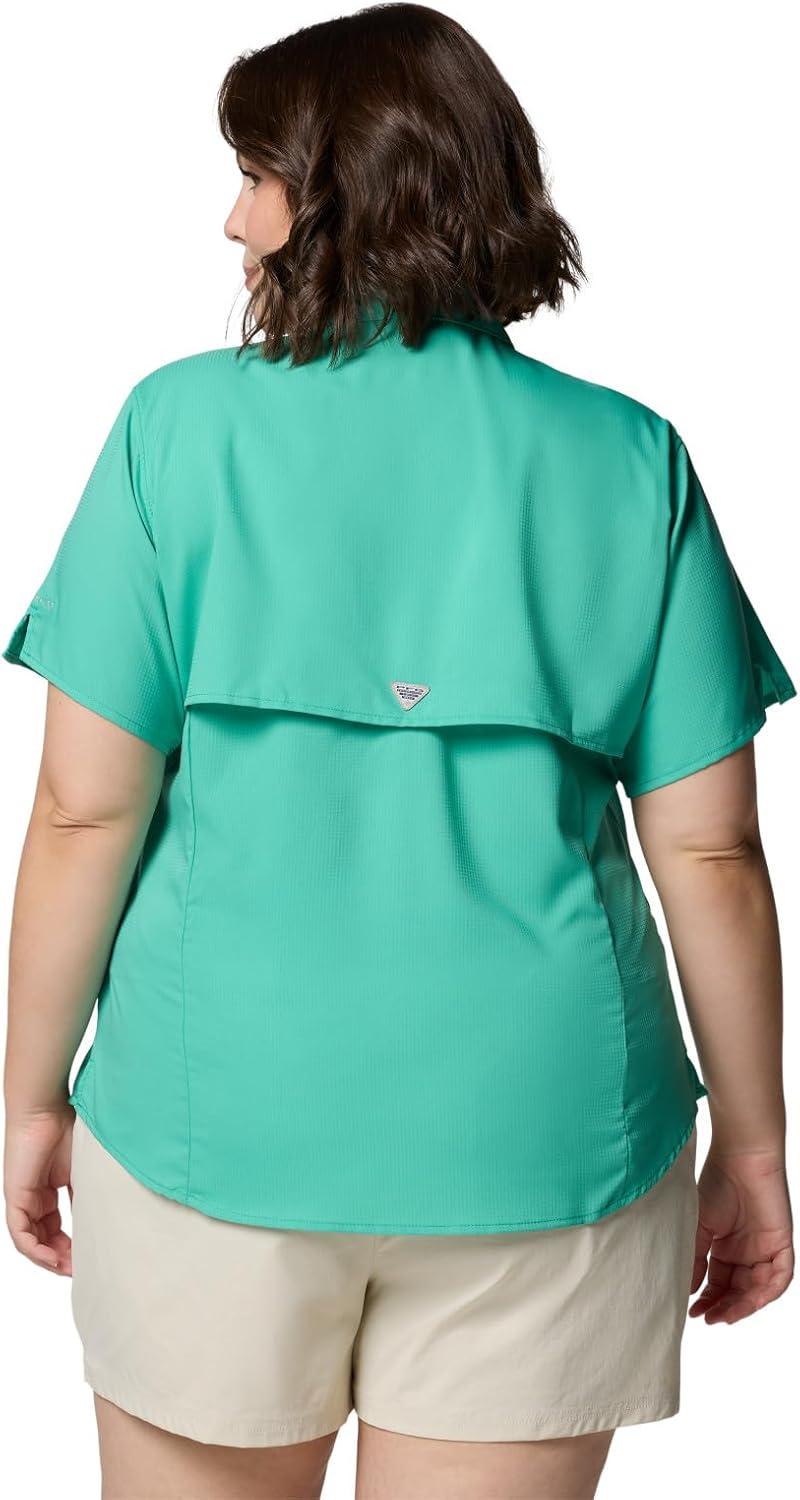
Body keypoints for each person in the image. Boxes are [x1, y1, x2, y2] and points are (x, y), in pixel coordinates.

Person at [2, 6, 796, 1499]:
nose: (232, 219)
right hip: (550, 1136)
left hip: (210, 1124)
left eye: (256, 176)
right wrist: (753, 1145)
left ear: (338, 193)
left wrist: (30, 1094)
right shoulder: (631, 458)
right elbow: (712, 848)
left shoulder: (176, 432)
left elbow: (79, 814)